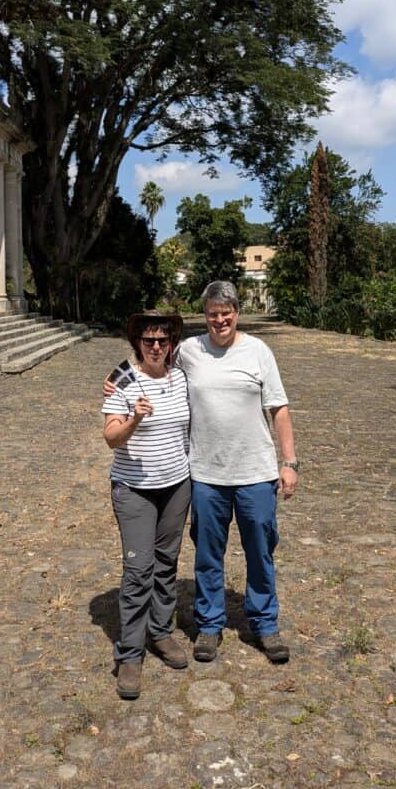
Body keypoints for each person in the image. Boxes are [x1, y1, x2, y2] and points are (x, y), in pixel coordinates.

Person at [174, 280, 299, 664]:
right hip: (207, 474)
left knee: (261, 550)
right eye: (212, 314)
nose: (219, 320)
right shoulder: (189, 351)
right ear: (205, 315)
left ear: (236, 314)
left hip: (255, 473)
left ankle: (265, 624)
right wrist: (121, 380)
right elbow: (154, 371)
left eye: (226, 313)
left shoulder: (258, 351)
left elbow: (278, 408)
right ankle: (209, 625)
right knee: (208, 554)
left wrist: (289, 462)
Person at [102, 311, 191, 700]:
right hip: (134, 489)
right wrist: (134, 420)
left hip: (176, 486)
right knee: (139, 570)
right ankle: (131, 654)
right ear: (137, 343)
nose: (156, 346)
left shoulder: (183, 376)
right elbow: (111, 438)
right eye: (148, 340)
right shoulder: (123, 378)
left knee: (166, 563)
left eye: (162, 340)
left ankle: (161, 632)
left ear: (171, 343)